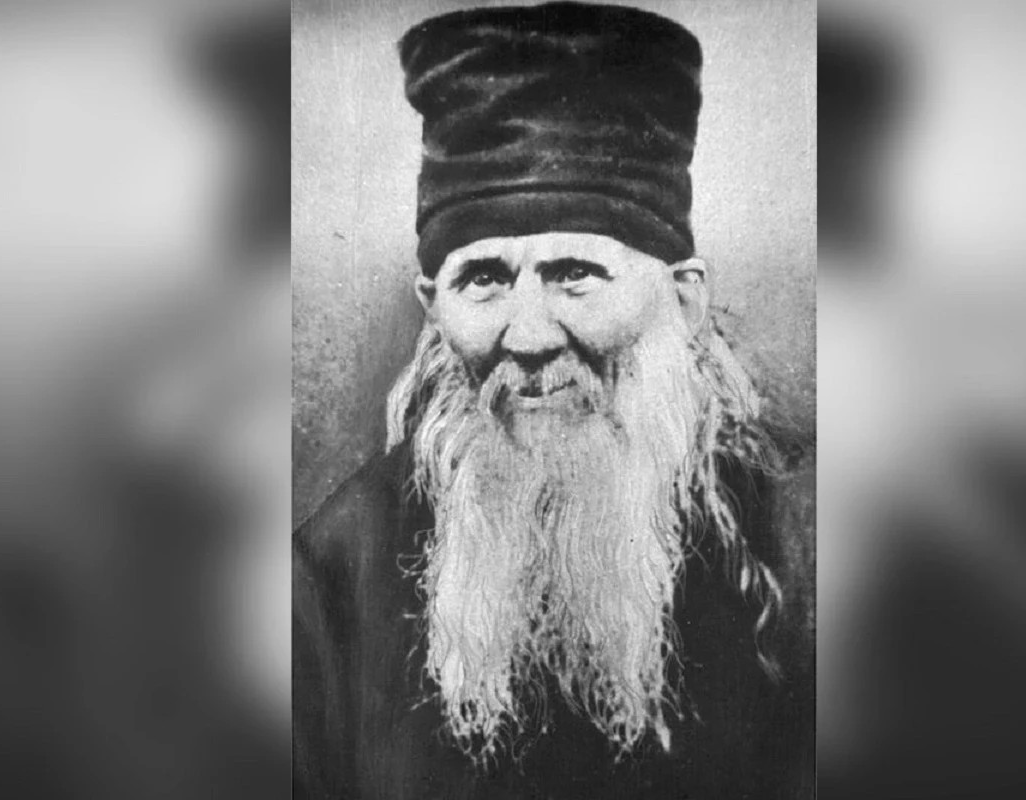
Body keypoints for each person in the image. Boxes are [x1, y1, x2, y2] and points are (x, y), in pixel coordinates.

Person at [292, 4, 814, 798]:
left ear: (684, 299)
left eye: (575, 274)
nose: (528, 336)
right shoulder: (331, 577)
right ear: (433, 308)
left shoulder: (803, 547)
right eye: (484, 280)